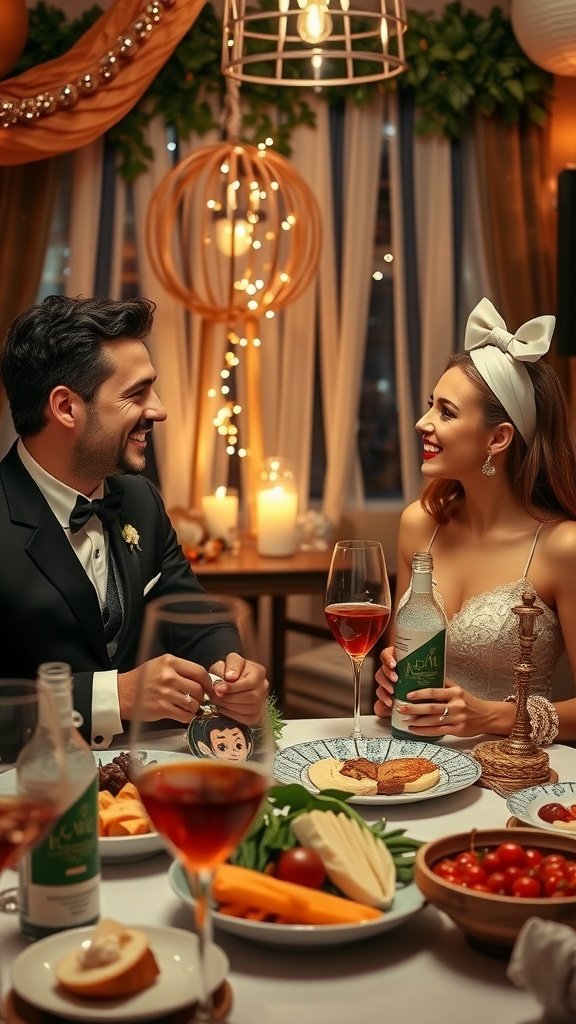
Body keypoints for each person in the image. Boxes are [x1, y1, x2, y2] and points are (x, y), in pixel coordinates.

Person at [0, 294, 268, 748]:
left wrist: (231, 668)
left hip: (139, 781)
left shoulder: (139, 499)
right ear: (66, 407)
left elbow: (192, 614)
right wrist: (113, 696)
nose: (159, 409)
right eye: (136, 393)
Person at [374, 296, 576, 745]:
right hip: (421, 761)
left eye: (446, 412)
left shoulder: (562, 547)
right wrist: (391, 681)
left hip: (517, 776)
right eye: (431, 405)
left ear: (498, 438)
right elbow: (400, 657)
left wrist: (492, 718)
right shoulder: (418, 525)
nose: (421, 423)